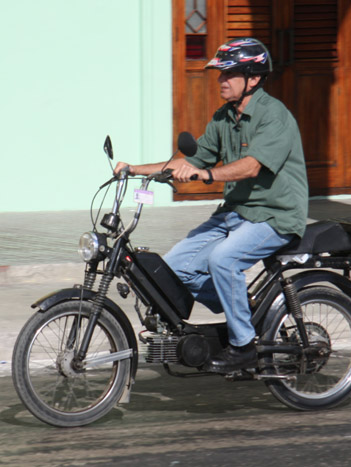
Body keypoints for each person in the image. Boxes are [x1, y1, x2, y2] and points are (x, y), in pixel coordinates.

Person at [114, 38, 308, 373]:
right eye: (220, 74)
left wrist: (205, 174)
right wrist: (133, 170)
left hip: (276, 215)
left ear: (254, 78)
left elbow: (251, 166)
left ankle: (244, 346)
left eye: (229, 73)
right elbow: (190, 159)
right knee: (175, 266)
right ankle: (243, 311)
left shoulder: (274, 116)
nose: (221, 80)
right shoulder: (224, 118)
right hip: (237, 213)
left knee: (223, 259)